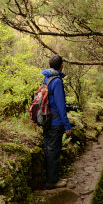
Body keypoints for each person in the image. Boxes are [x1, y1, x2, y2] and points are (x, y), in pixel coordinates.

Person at [41, 54, 72, 189]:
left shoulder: (46, 78)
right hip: (55, 122)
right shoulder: (57, 81)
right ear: (61, 66)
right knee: (54, 150)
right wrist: (67, 125)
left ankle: (51, 177)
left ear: (49, 65)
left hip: (46, 119)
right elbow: (60, 106)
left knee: (49, 149)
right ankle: (52, 181)